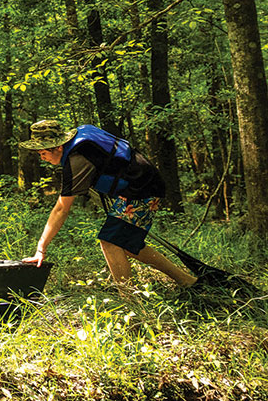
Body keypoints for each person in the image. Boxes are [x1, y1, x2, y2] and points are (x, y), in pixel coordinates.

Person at [20, 119, 195, 287]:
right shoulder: (82, 134)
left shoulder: (76, 159)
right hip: (143, 180)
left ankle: (130, 300)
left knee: (110, 242)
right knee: (127, 243)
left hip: (141, 187)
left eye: (43, 152)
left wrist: (41, 248)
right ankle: (186, 280)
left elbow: (61, 209)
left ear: (58, 146)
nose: (42, 158)